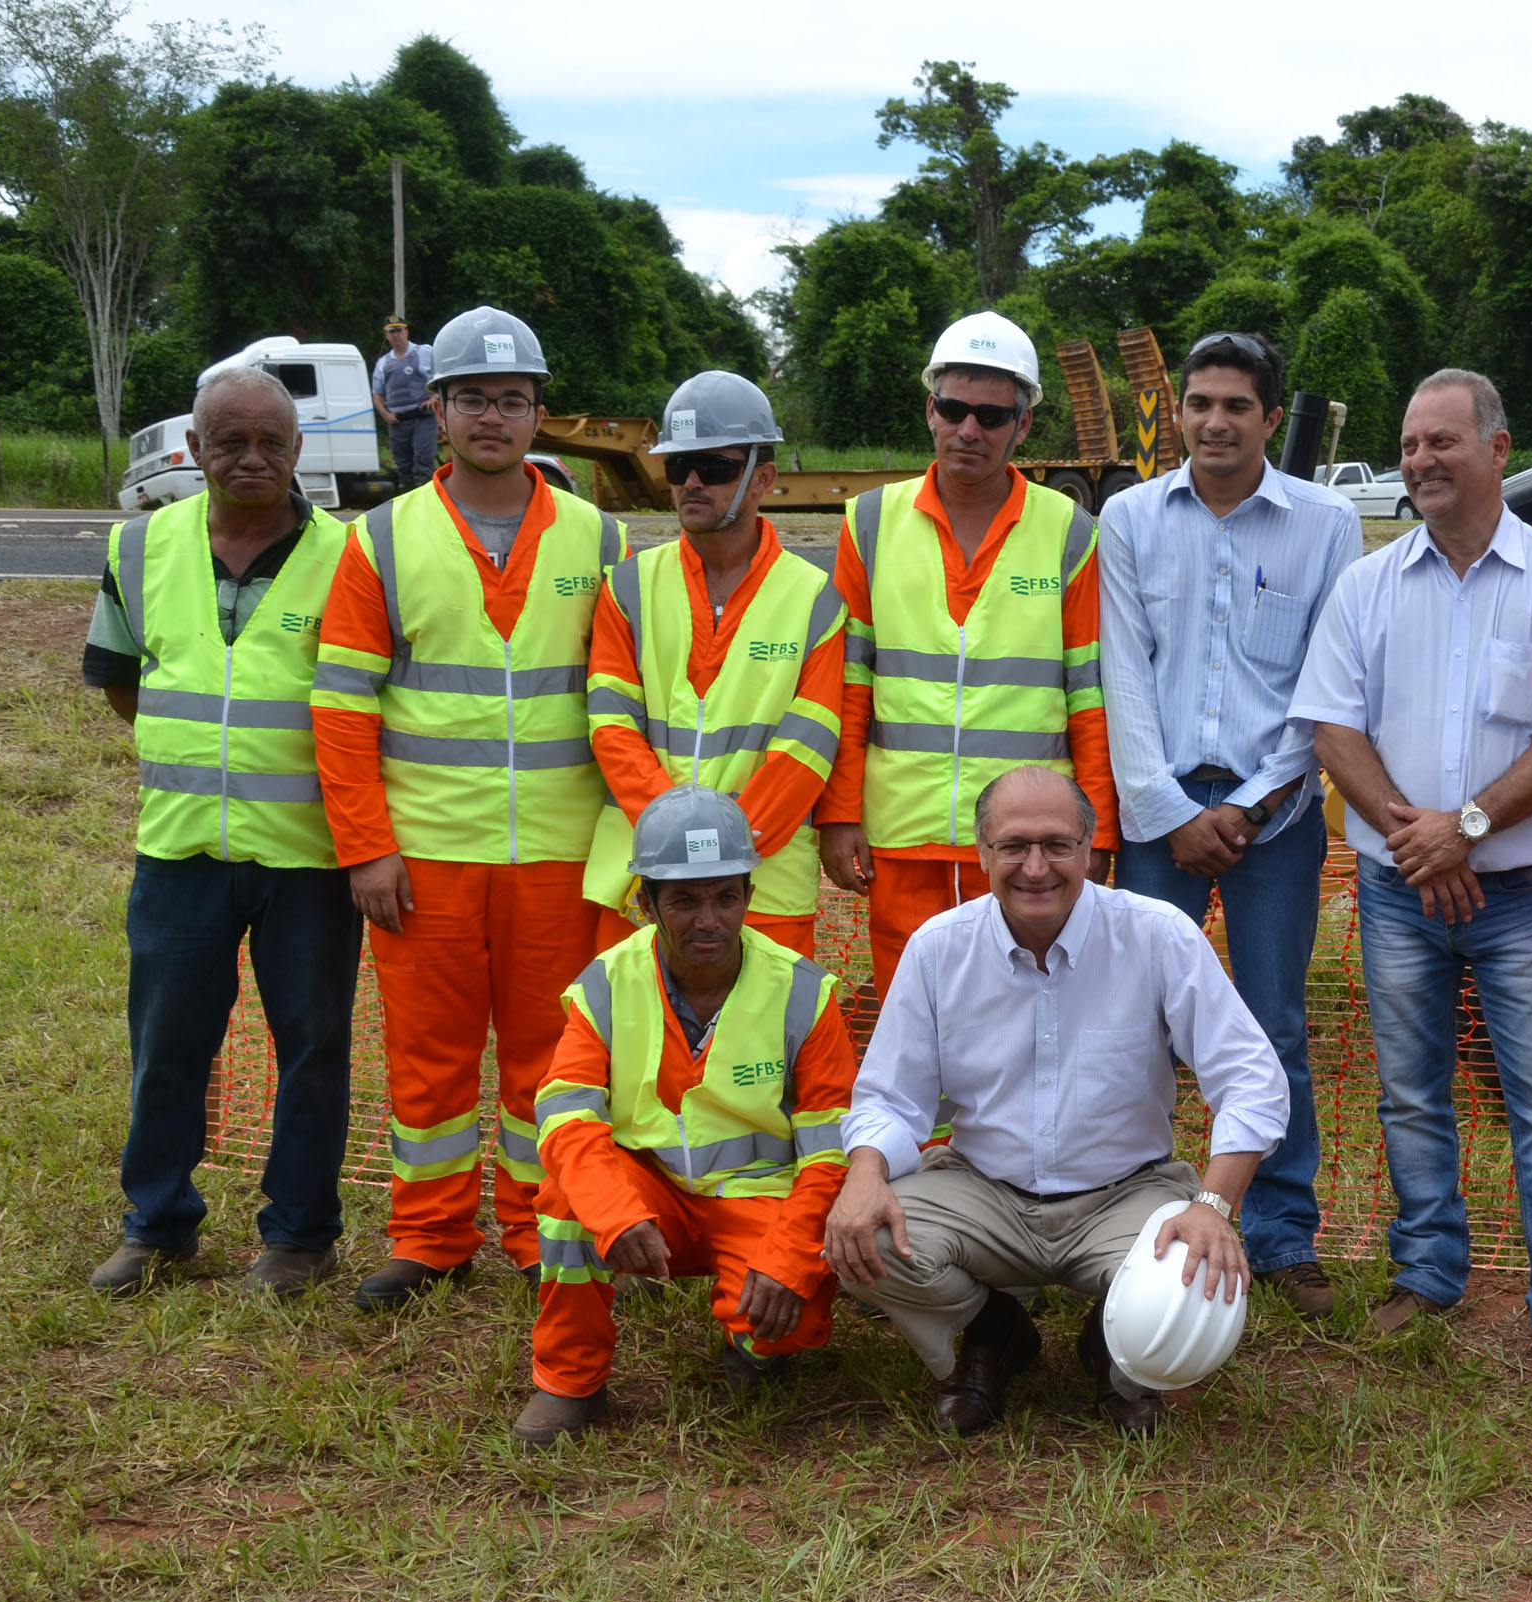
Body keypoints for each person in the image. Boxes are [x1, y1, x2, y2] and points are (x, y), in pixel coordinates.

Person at [1290, 369, 1532, 1392]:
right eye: (1407, 445)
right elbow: (1331, 724)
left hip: (1519, 894)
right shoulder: (1367, 586)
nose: (1419, 461)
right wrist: (1414, 840)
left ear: (1497, 448)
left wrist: (1466, 828)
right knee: (1407, 1096)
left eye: (1440, 441)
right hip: (1400, 890)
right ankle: (1427, 1276)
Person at [314, 305, 625, 1311]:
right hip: (428, 856)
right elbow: (343, 704)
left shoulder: (602, 540)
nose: (492, 417)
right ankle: (431, 1235)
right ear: (433, 410)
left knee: (553, 1062)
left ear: (540, 415)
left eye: (513, 400)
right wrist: (366, 847)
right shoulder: (383, 542)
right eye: (472, 399)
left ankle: (544, 1231)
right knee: (429, 1062)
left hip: (560, 854)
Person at [824, 766, 1287, 1438]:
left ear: (1092, 847)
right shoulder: (937, 949)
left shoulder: (1158, 934)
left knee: (1193, 1282)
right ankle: (995, 1333)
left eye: (1057, 844)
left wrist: (1213, 1206)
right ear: (982, 852)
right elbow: (891, 1097)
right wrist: (864, 1176)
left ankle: (1112, 1346)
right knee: (861, 1236)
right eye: (1013, 846)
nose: (1035, 866)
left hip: (1123, 1195)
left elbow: (1250, 1078)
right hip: (985, 1190)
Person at [1097, 329, 1362, 1321]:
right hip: (1155, 814)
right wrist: (1168, 812)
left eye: (1234, 406)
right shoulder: (1126, 519)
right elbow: (1119, 674)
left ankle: (1282, 1232)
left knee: (1271, 1024)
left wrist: (1249, 806)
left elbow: (1323, 685)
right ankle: (1131, 1212)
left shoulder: (1325, 523)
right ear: (1177, 414)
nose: (1212, 421)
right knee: (1135, 1022)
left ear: (1268, 418)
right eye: (1197, 403)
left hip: (1276, 817)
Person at [81, 365, 363, 1299]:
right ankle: (157, 1224)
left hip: (309, 858)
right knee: (168, 1045)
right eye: (230, 442)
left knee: (313, 1046)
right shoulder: (140, 548)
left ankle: (300, 1235)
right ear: (193, 449)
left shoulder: (351, 555)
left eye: (272, 443)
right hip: (179, 850)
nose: (252, 459)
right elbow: (122, 682)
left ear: (298, 451)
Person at [513, 786, 855, 1446]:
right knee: (567, 1201)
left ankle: (751, 1342)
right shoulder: (606, 985)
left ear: (750, 896)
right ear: (645, 903)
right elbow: (564, 1115)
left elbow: (832, 1152)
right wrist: (615, 1211)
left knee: (786, 1320)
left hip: (758, 1200)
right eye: (685, 899)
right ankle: (569, 1381)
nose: (710, 920)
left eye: (727, 896)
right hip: (648, 1203)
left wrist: (788, 1259)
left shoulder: (804, 993)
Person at [817, 311, 1118, 1003]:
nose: (969, 430)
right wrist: (839, 814)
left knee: (1029, 1014)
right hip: (903, 833)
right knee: (915, 1019)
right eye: (953, 409)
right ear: (930, 408)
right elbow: (847, 682)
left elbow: (1089, 692)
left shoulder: (1068, 530)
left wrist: (1095, 824)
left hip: (1027, 843)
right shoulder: (869, 522)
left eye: (991, 415)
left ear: (1024, 425)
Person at [584, 372, 845, 958]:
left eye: (715, 467)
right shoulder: (627, 588)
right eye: (678, 468)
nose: (692, 483)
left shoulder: (815, 600)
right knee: (635, 1047)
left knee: (758, 1047)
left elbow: (808, 746)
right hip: (641, 886)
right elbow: (611, 726)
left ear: (764, 479)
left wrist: (718, 856)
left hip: (762, 890)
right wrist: (673, 851)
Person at [371, 316, 437, 493]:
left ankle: (428, 506)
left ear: (406, 331)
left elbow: (442, 377)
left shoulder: (423, 352)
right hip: (398, 422)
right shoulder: (383, 363)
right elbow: (377, 394)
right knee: (404, 468)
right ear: (386, 336)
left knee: (423, 464)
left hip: (422, 418)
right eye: (391, 332)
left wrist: (435, 397)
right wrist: (385, 414)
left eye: (399, 330)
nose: (396, 336)